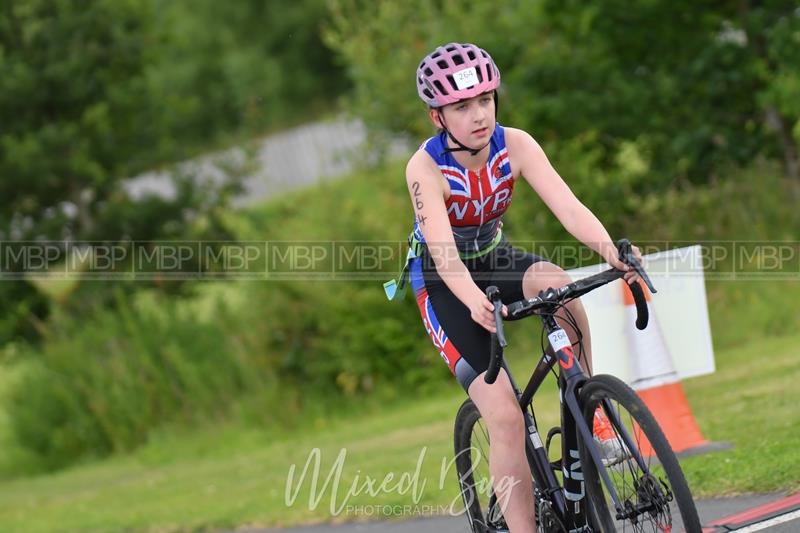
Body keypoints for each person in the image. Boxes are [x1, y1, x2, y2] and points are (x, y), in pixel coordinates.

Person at [384, 42, 641, 532]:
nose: (479, 115)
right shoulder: (425, 168)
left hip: (494, 257)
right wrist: (474, 301)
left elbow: (568, 209)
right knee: (502, 414)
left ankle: (591, 413)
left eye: (485, 100)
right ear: (438, 116)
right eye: (462, 106)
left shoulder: (516, 144)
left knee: (559, 286)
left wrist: (614, 253)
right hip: (443, 281)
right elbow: (443, 253)